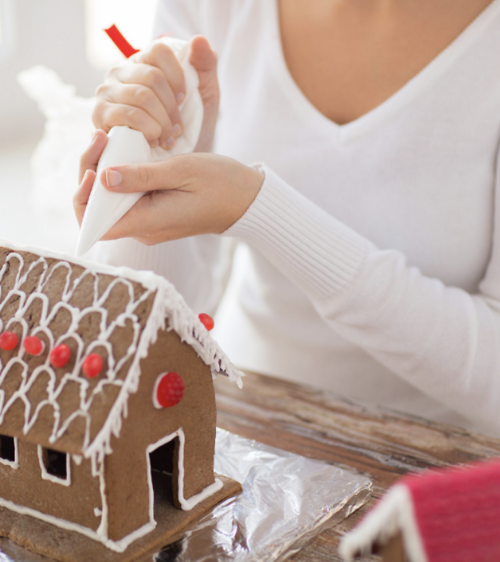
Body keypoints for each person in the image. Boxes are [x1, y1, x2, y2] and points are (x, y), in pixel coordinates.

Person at [74, 0, 500, 436]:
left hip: (438, 461)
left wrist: (260, 210)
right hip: (240, 430)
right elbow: (145, 336)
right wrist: (151, 169)